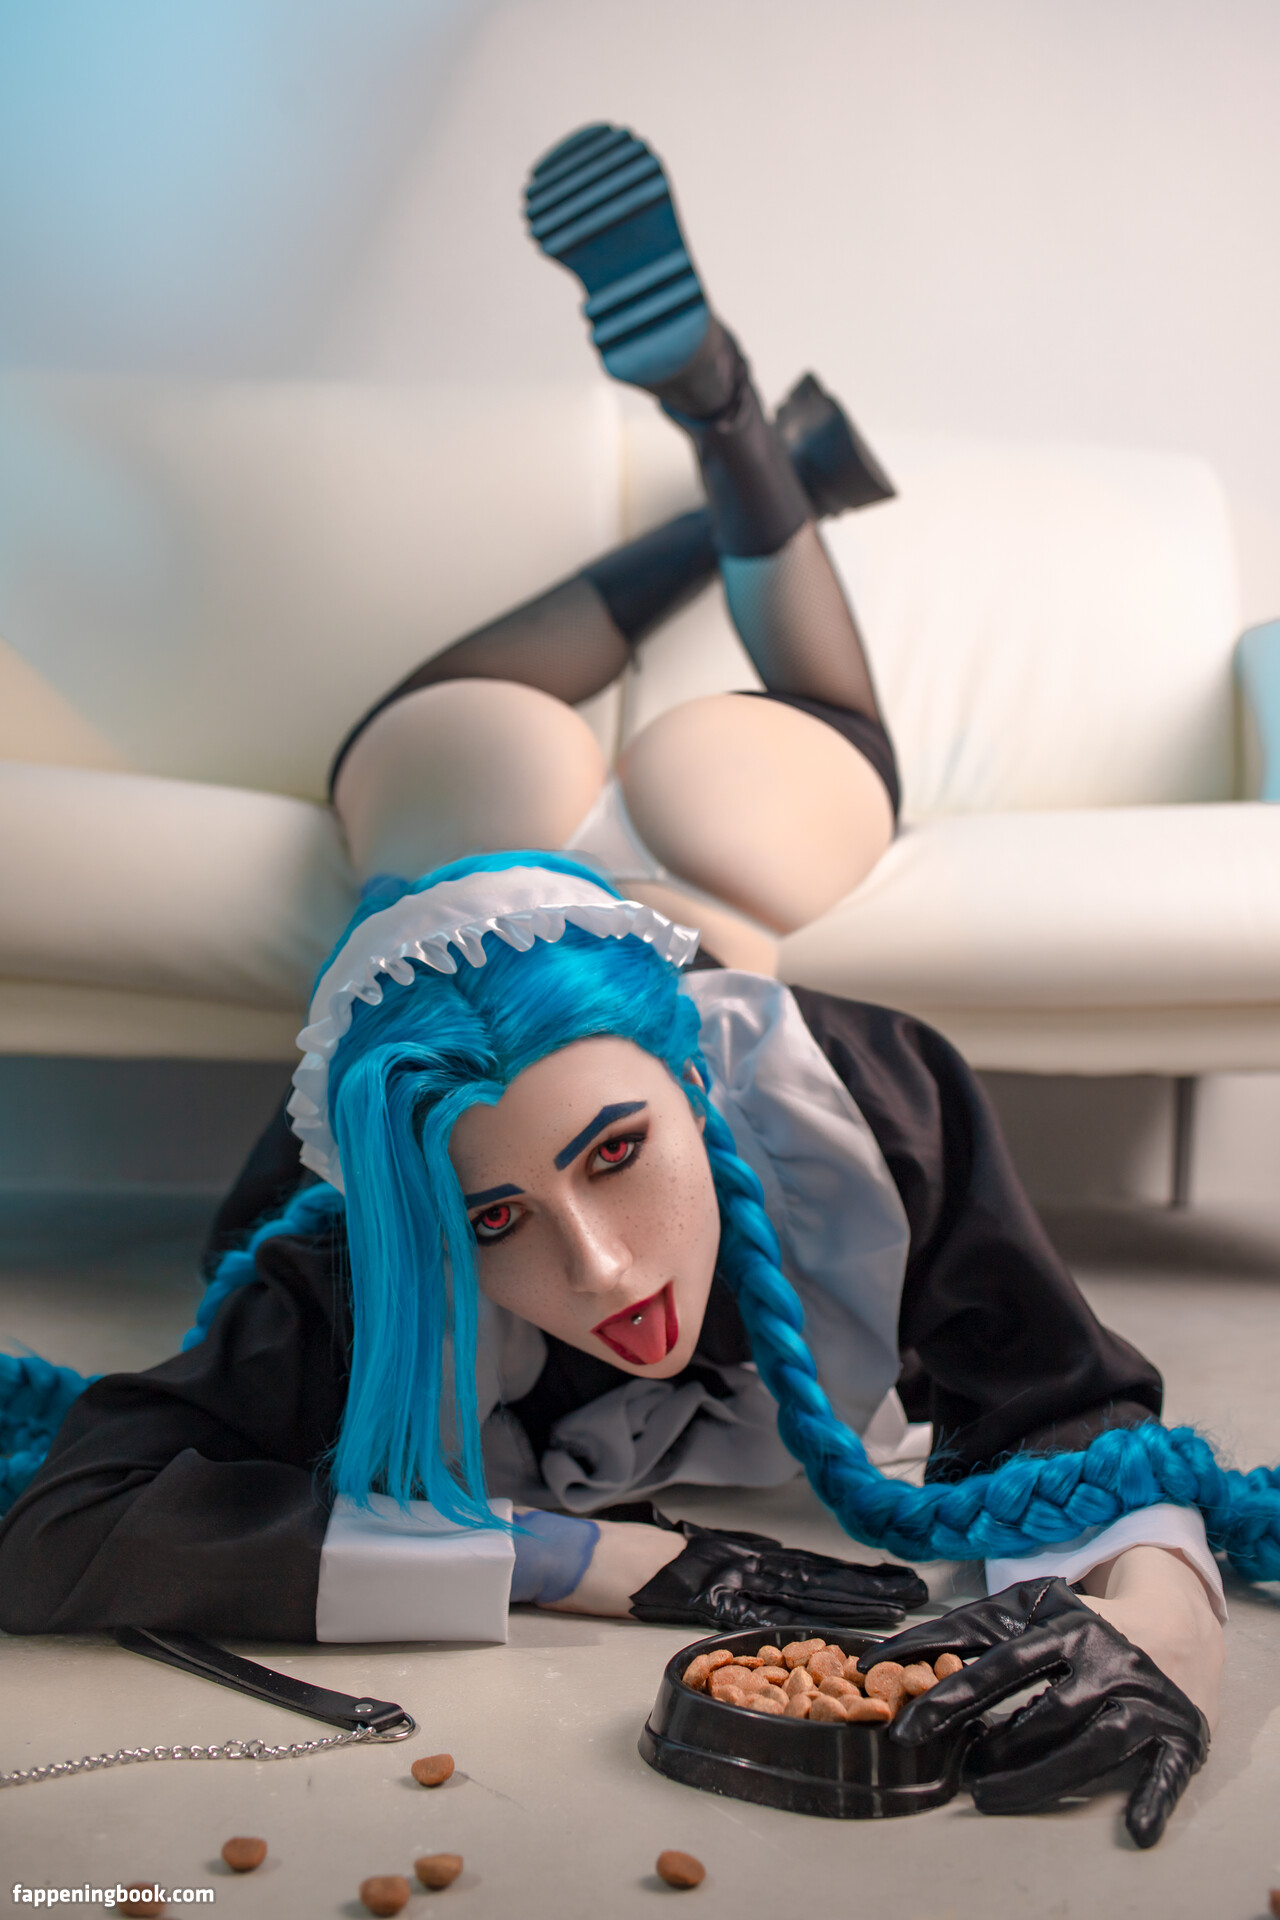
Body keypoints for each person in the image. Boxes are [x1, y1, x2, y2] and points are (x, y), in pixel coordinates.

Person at [0, 125, 1269, 1851]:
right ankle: (740, 443)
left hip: (566, 874)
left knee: (465, 739)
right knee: (802, 752)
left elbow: (1074, 1418)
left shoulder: (857, 1098)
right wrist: (595, 1562)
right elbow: (56, 1531)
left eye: (617, 1156)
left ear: (708, 1076)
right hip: (660, 880)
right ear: (418, 1205)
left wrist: (1165, 1633)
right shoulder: (349, 1251)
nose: (600, 1273)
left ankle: (727, 473)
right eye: (495, 1219)